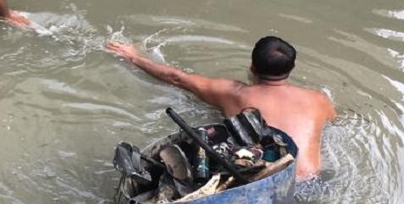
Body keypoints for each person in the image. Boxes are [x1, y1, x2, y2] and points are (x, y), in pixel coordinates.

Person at [105, 35, 336, 180]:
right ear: (292, 66)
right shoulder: (319, 100)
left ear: (252, 67)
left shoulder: (234, 93)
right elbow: (335, 125)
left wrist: (133, 57)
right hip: (311, 181)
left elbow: (176, 78)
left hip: (263, 182)